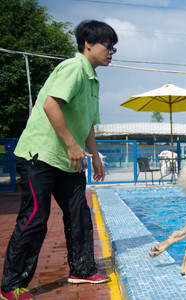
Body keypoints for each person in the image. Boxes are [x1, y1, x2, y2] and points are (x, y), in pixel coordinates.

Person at [1, 20, 117, 300]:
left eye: (114, 47)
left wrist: (96, 156)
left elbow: (88, 123)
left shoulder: (92, 79)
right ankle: (11, 284)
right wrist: (70, 144)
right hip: (39, 155)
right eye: (107, 45)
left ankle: (82, 270)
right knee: (35, 218)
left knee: (78, 213)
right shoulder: (74, 68)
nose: (111, 51)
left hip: (69, 159)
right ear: (88, 44)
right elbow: (51, 104)